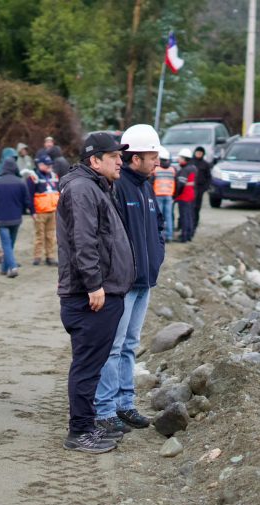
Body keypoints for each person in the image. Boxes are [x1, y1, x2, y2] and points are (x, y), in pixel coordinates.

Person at [56, 132, 134, 454]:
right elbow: (83, 241)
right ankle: (80, 432)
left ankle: (88, 426)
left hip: (102, 294)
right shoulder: (82, 189)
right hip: (89, 296)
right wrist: (94, 285)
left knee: (92, 365)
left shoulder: (97, 186)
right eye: (114, 155)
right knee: (87, 368)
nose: (121, 160)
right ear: (94, 160)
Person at [94, 125, 164, 436]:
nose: (157, 163)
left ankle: (125, 403)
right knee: (113, 346)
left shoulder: (147, 188)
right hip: (123, 285)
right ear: (135, 158)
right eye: (153, 156)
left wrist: (156, 257)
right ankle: (105, 409)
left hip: (143, 282)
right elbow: (108, 238)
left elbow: (157, 228)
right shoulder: (118, 188)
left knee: (130, 346)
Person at [0, 158, 32, 277]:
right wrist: (30, 211)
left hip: (1, 219)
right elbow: (27, 200)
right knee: (10, 244)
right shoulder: (21, 182)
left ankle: (12, 267)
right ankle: (4, 268)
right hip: (16, 218)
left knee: (6, 244)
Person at [27, 154, 59, 266]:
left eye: (50, 164)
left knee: (51, 235)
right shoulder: (33, 177)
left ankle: (50, 257)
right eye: (47, 165)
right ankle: (37, 257)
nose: (50, 166)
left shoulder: (54, 175)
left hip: (52, 211)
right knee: (39, 236)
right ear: (40, 165)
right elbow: (29, 196)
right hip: (40, 212)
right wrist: (32, 211)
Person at [151, 146, 176, 242]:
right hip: (169, 195)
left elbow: (152, 182)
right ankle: (169, 235)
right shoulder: (172, 170)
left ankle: (160, 235)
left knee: (159, 217)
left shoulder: (157, 170)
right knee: (169, 216)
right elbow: (175, 183)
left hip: (158, 195)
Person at [174, 148, 196, 243]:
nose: (178, 160)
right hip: (191, 195)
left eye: (179, 158)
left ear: (184, 159)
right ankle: (189, 235)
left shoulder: (184, 170)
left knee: (184, 216)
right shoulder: (193, 168)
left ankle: (184, 236)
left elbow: (181, 184)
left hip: (184, 196)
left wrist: (175, 195)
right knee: (189, 215)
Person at [191, 146, 211, 231]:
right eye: (197, 152)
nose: (198, 154)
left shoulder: (205, 164)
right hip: (190, 188)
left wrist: (205, 188)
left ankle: (195, 223)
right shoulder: (191, 162)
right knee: (189, 206)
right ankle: (186, 223)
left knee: (197, 207)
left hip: (200, 188)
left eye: (200, 153)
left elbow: (208, 177)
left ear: (203, 154)